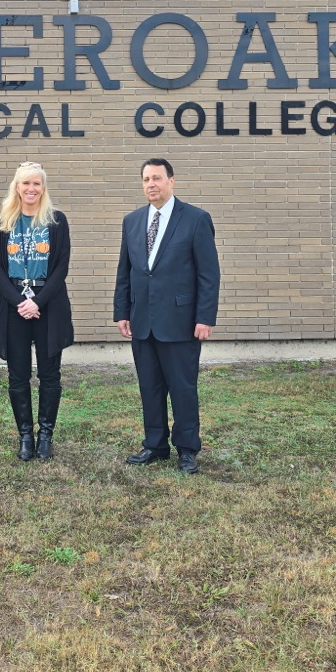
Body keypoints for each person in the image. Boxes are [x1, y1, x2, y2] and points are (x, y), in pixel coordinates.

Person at [113, 159, 220, 474]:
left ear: (172, 181)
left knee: (183, 388)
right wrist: (122, 311)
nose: (151, 185)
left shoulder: (196, 220)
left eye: (157, 178)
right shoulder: (132, 221)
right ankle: (155, 445)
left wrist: (205, 317)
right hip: (142, 321)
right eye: (146, 179)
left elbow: (208, 275)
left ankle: (187, 449)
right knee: (150, 386)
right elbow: (126, 271)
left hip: (181, 321)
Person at [0, 162, 74, 461]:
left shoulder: (56, 221)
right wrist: (19, 302)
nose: (31, 189)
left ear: (43, 187)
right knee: (18, 375)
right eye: (25, 183)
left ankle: (45, 436)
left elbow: (62, 267)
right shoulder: (5, 222)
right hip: (14, 306)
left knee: (50, 375)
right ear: (17, 186)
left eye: (36, 183)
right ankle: (25, 435)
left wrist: (37, 302)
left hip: (47, 306)